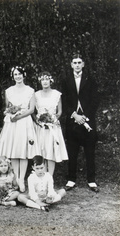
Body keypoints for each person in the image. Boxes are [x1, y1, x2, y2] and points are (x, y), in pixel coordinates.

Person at [0, 66, 39, 192]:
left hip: (24, 122)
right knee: (14, 150)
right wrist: (9, 113)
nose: (18, 76)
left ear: (24, 75)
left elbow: (31, 109)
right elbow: (7, 107)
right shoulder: (9, 91)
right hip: (12, 123)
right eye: (15, 74)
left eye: (20, 74)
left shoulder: (30, 90)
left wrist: (18, 116)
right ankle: (15, 178)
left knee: (23, 151)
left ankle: (21, 179)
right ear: (12, 76)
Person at [62, 54, 100, 192]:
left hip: (88, 120)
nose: (77, 65)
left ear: (83, 64)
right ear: (71, 65)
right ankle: (71, 180)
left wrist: (84, 116)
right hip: (73, 121)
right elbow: (64, 101)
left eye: (79, 62)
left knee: (90, 151)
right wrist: (75, 115)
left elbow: (95, 100)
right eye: (74, 63)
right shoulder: (66, 80)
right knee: (72, 151)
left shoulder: (91, 80)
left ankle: (91, 180)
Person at [34, 71, 68, 176]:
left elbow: (59, 111)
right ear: (40, 81)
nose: (45, 82)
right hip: (41, 127)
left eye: (46, 79)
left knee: (51, 150)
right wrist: (39, 121)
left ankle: (50, 177)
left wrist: (52, 119)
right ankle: (41, 175)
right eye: (42, 79)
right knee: (41, 150)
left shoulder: (56, 94)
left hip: (53, 126)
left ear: (50, 80)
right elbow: (33, 112)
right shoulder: (36, 95)